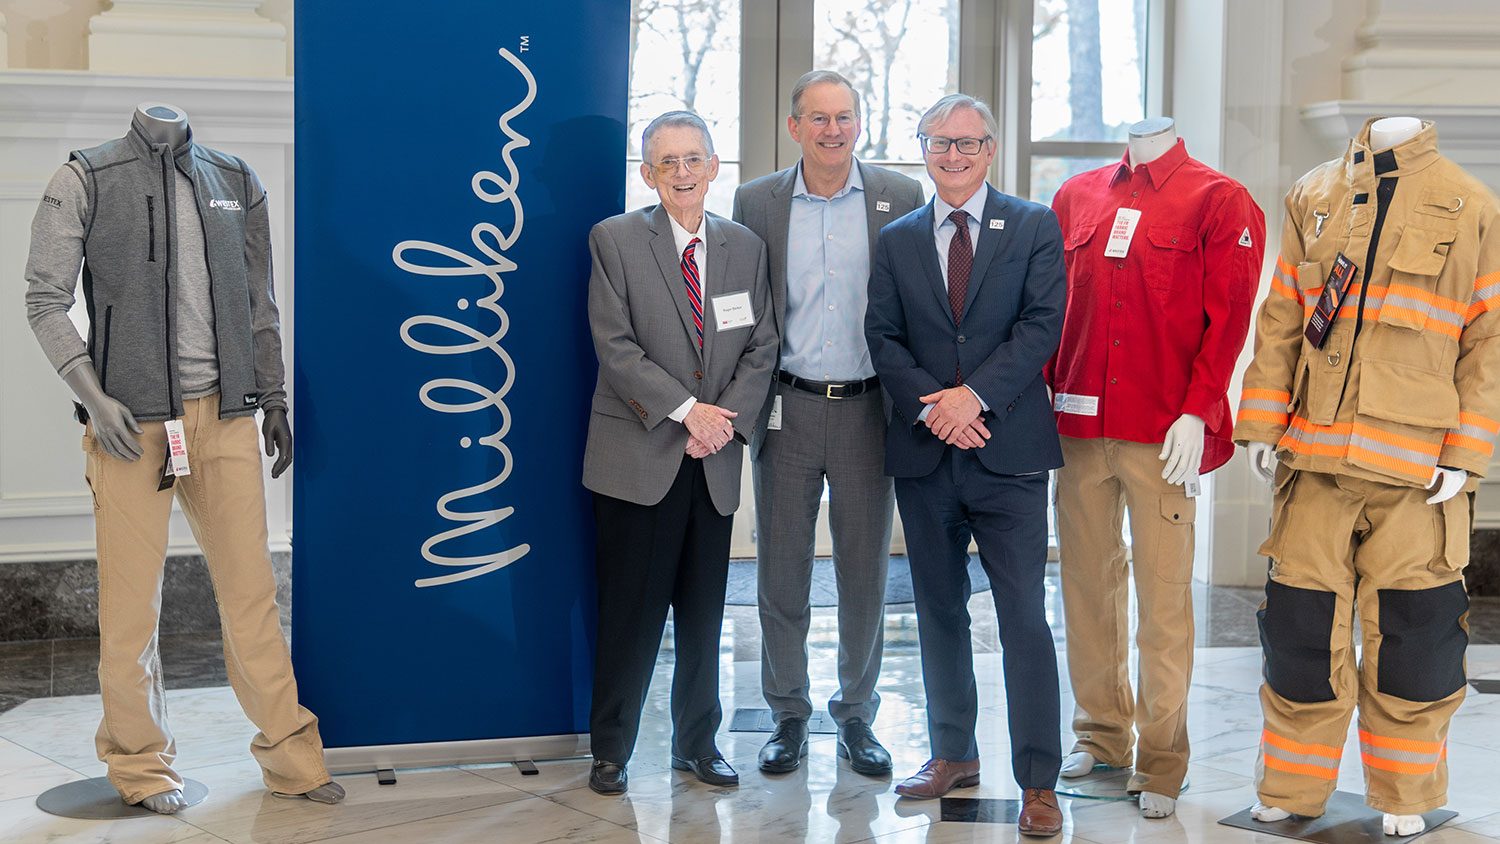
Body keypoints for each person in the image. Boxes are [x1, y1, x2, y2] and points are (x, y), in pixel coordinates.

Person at [23, 104, 342, 813]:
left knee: (252, 596)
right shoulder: (87, 177)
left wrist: (273, 398)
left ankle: (292, 759)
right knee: (131, 608)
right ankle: (140, 767)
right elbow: (45, 300)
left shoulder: (235, 179)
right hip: (131, 428)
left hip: (226, 421)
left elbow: (260, 303)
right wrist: (94, 397)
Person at [1234, 115, 1500, 837]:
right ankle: (1291, 787)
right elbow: (1282, 318)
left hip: (1418, 471)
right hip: (1313, 461)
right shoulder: (1313, 194)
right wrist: (1261, 425)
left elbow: (1489, 342)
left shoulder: (1471, 204)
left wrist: (1464, 453)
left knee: (1416, 642)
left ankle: (1406, 794)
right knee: (1298, 636)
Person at [1048, 117, 1264, 818]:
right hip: (1078, 428)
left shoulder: (1220, 200)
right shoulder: (1075, 196)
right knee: (1085, 588)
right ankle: (1100, 735)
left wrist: (1200, 409)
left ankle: (1163, 759)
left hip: (1163, 431)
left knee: (1164, 599)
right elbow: (1053, 308)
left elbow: (1229, 319)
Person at [864, 93, 1066, 836]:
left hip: (1008, 454)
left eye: (967, 143)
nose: (952, 155)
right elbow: (882, 336)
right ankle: (954, 752)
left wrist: (971, 399)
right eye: (939, 142)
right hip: (925, 454)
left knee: (1023, 618)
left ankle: (1038, 780)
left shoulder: (1034, 225)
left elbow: (1041, 325)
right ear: (923, 150)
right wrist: (935, 409)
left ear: (990, 149)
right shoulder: (897, 238)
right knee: (938, 611)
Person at [731, 69, 923, 777]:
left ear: (859, 123)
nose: (833, 130)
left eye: (844, 117)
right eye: (818, 118)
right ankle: (787, 714)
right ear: (795, 127)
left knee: (864, 572)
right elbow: (744, 309)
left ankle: (857, 715)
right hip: (786, 407)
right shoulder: (756, 202)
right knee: (781, 572)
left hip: (871, 409)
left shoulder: (900, 196)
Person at [582, 110, 778, 796]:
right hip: (639, 458)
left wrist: (720, 425)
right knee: (629, 617)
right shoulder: (614, 240)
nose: (683, 172)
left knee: (703, 617)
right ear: (648, 174)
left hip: (713, 458)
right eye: (668, 162)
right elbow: (614, 346)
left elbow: (762, 345)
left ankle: (697, 744)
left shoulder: (745, 247)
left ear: (714, 167)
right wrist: (687, 411)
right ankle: (611, 750)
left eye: (694, 158)